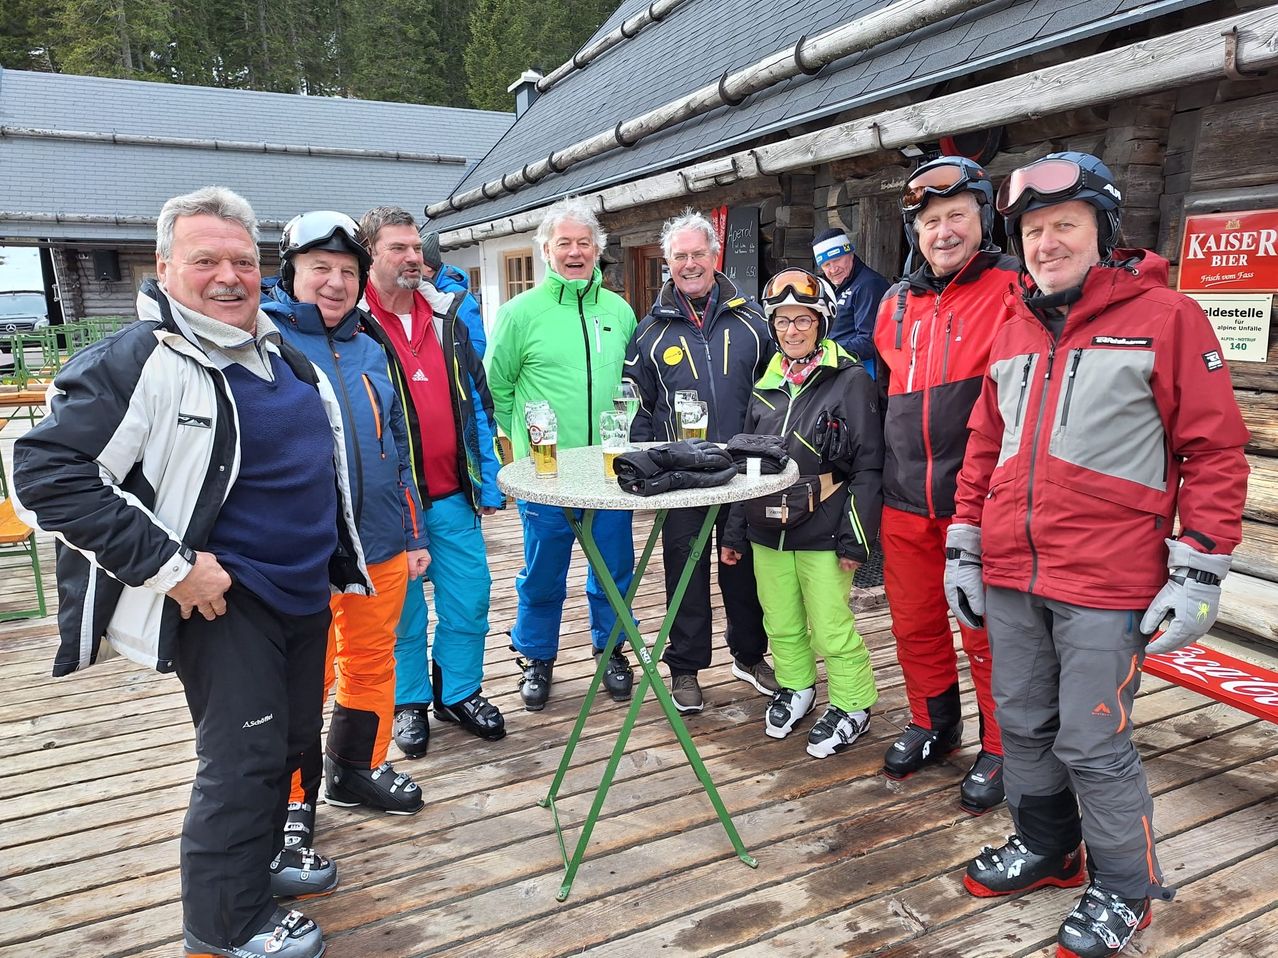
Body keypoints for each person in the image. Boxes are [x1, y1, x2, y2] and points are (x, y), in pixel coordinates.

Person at [11, 187, 370, 958]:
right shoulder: (138, 359)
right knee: (240, 763)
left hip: (303, 594)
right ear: (166, 266)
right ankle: (224, 924)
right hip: (222, 602)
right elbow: (44, 473)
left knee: (289, 747)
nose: (229, 276)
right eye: (205, 260)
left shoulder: (281, 356)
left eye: (243, 260)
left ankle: (261, 866)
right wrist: (172, 569)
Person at [947, 152, 1249, 958]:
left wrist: (1198, 569)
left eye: (1064, 226)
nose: (1046, 244)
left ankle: (1124, 887)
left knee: (1092, 738)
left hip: (1109, 579)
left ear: (1103, 231)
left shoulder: (1167, 316)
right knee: (1023, 724)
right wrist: (964, 545)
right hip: (1012, 568)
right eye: (1034, 230)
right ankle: (1048, 849)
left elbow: (1214, 451)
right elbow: (986, 443)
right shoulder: (1012, 323)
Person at [262, 211, 429, 831]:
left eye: (347, 271)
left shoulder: (370, 344)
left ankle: (356, 768)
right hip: (299, 550)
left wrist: (414, 534)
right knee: (299, 674)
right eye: (319, 270)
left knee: (371, 658)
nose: (335, 283)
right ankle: (294, 797)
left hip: (381, 539)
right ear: (292, 275)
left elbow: (400, 448)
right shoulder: (263, 342)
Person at [871, 156, 1017, 814]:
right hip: (906, 497)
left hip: (981, 502)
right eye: (931, 221)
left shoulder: (1017, 287)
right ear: (915, 232)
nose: (944, 231)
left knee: (986, 630)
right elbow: (883, 397)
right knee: (917, 624)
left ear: (983, 219)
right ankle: (935, 723)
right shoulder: (895, 303)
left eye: (957, 215)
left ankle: (1003, 744)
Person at [358, 206, 506, 755]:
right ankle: (410, 702)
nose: (413, 257)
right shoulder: (352, 324)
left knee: (470, 596)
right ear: (369, 254)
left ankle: (458, 691)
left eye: (416, 247)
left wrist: (487, 480)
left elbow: (479, 407)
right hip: (392, 504)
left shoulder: (448, 316)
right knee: (402, 612)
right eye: (398, 248)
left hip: (451, 494)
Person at [722, 268, 883, 758]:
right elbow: (743, 465)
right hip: (765, 529)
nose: (791, 330)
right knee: (782, 620)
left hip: (825, 529)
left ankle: (853, 704)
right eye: (782, 321)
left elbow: (870, 466)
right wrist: (733, 532)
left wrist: (857, 540)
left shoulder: (849, 380)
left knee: (831, 624)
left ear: (821, 322)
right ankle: (796, 686)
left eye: (802, 320)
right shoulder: (765, 384)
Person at [486, 196, 638, 711]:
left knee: (614, 567)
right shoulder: (518, 313)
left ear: (598, 250)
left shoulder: (619, 311)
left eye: (584, 243)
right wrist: (515, 453)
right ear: (546, 251)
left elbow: (633, 385)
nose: (575, 252)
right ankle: (536, 655)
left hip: (610, 470)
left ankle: (613, 648)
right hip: (546, 474)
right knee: (543, 568)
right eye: (564, 243)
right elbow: (497, 389)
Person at [624, 210, 778, 713]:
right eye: (680, 257)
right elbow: (639, 410)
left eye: (698, 254)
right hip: (682, 478)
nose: (690, 264)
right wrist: (646, 471)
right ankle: (686, 667)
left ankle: (750, 655)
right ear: (668, 264)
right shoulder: (648, 333)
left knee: (744, 565)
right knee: (684, 571)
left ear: (716, 256)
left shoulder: (754, 322)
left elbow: (774, 394)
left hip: (740, 471)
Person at [811, 227, 890, 379]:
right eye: (826, 265)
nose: (833, 269)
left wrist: (822, 351)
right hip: (839, 372)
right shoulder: (835, 287)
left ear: (850, 253)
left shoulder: (868, 285)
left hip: (862, 375)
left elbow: (869, 342)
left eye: (837, 260)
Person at [421, 230, 487, 358]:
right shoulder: (422, 292)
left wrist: (454, 373)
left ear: (428, 266)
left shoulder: (459, 297)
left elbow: (477, 345)